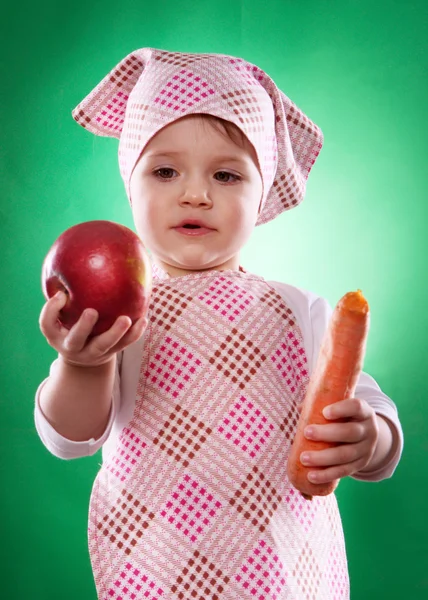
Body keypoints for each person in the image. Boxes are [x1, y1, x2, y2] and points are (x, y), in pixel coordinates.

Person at [35, 48, 403, 600]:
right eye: (164, 170)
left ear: (262, 197)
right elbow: (70, 436)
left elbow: (371, 409)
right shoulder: (119, 315)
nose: (195, 193)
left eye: (227, 175)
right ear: (130, 186)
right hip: (157, 573)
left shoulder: (299, 310)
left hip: (284, 574)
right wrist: (81, 364)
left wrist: (370, 439)